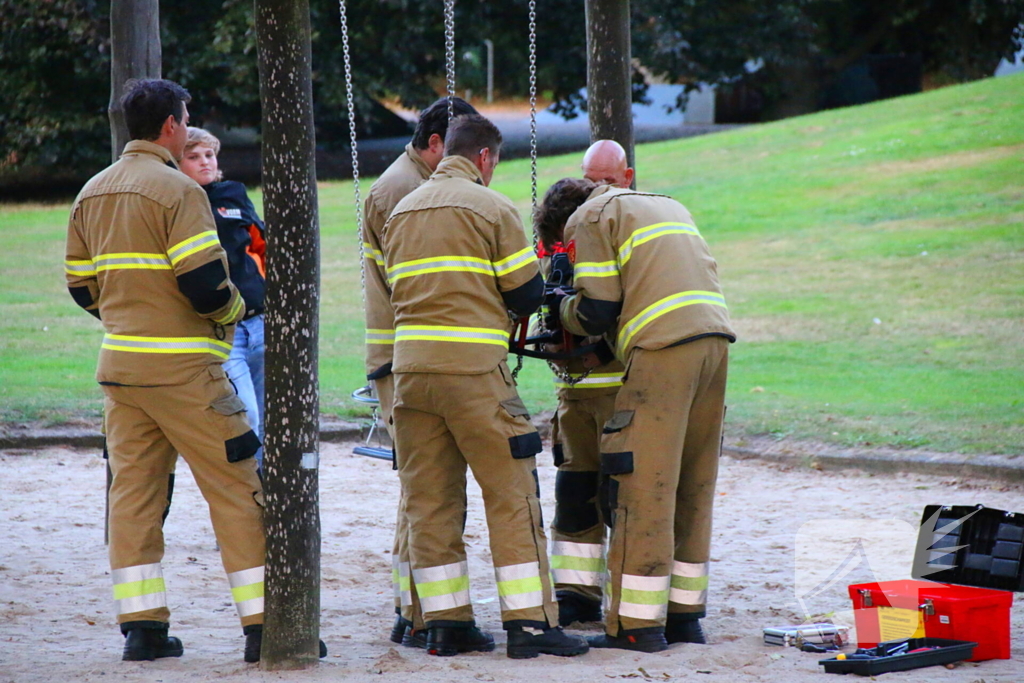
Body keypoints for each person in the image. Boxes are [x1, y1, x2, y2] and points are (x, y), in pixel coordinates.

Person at [64, 79, 272, 663]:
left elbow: (81, 287)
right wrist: (236, 310)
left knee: (133, 496)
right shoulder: (180, 191)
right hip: (187, 370)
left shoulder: (92, 191)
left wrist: (128, 316)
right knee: (236, 487)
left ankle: (143, 629)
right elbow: (206, 284)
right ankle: (263, 626)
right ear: (173, 127)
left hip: (121, 368)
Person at [380, 114, 589, 660]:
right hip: (473, 373)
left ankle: (446, 623)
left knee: (429, 500)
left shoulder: (402, 209)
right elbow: (524, 296)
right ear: (485, 158)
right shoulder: (492, 207)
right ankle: (529, 624)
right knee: (512, 493)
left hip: (410, 376)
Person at [539, 177, 736, 652]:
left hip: (663, 347)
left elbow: (596, 310)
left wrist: (560, 307)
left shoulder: (590, 217)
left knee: (641, 484)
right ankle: (684, 617)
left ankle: (637, 626)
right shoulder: (664, 204)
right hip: (713, 341)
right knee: (693, 480)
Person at [361, 96, 478, 648]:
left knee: (420, 489)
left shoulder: (406, 180)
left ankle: (413, 610)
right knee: (426, 489)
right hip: (408, 354)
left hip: (405, 352)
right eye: (458, 149)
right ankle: (419, 610)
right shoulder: (403, 190)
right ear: (436, 146)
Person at [535, 139, 633, 626]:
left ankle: (629, 600)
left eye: (609, 183)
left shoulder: (626, 234)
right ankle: (576, 594)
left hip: (621, 392)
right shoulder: (556, 248)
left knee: (625, 501)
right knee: (575, 496)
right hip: (575, 396)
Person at [179, 127, 267, 469]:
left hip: (258, 321)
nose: (204, 162)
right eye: (193, 156)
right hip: (220, 330)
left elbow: (259, 244)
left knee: (267, 418)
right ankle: (249, 494)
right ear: (177, 163)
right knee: (246, 417)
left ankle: (267, 491)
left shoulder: (233, 193)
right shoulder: (179, 199)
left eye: (209, 155)